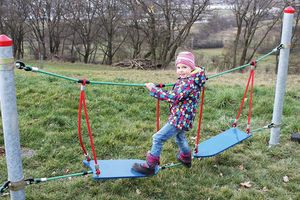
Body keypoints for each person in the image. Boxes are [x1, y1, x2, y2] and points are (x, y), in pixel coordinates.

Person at [132, 51, 206, 175]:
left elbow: (173, 97)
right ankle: (186, 158)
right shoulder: (192, 79)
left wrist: (154, 89)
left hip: (180, 118)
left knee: (158, 138)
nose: (181, 71)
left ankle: (150, 166)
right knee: (180, 137)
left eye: (184, 67)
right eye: (178, 67)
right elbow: (179, 92)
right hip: (185, 117)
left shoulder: (189, 83)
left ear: (192, 67)